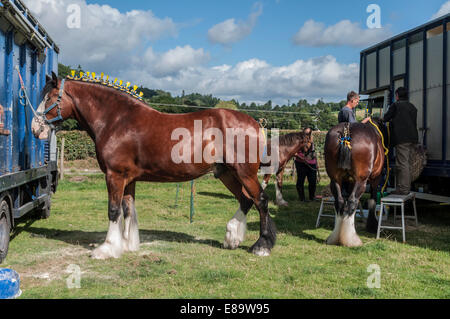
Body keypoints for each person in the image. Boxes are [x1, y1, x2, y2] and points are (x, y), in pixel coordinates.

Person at [383, 87, 419, 195]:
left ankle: (403, 189)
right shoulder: (412, 107)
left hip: (402, 139)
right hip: (413, 139)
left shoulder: (396, 105)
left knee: (402, 164)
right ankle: (404, 187)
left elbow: (386, 118)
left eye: (395, 95)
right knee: (407, 163)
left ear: (397, 95)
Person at [295, 128, 318, 202]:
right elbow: (298, 151)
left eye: (309, 133)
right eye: (306, 133)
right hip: (301, 163)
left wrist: (316, 163)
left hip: (312, 162)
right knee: (300, 181)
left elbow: (313, 152)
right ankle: (302, 198)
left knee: (313, 181)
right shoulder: (298, 140)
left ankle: (312, 197)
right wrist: (302, 158)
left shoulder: (311, 140)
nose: (308, 135)